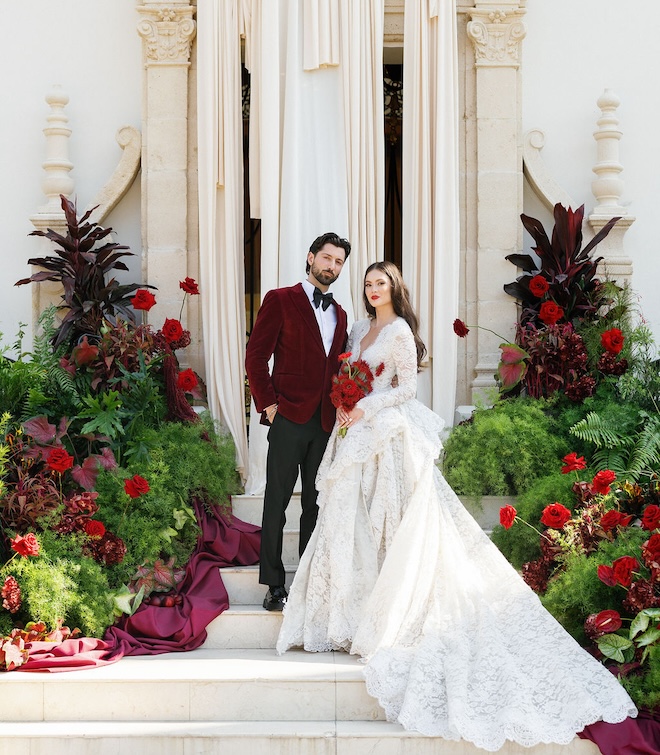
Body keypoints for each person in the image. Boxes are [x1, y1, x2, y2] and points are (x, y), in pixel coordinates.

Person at [276, 261, 636, 751]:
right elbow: (350, 371)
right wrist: (347, 403)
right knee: (347, 519)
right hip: (353, 431)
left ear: (394, 289)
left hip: (385, 430)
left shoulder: (401, 330)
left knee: (388, 519)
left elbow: (405, 388)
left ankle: (388, 607)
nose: (371, 288)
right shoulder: (358, 326)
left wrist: (368, 406)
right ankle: (347, 610)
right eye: (367, 282)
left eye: (380, 283)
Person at [245, 232, 350, 612]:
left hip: (324, 422)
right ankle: (273, 585)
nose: (331, 267)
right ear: (310, 258)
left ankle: (305, 582)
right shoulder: (280, 299)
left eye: (338, 262)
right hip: (288, 417)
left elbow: (337, 368)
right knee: (276, 502)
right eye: (326, 258)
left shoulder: (341, 314)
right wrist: (270, 406)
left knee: (315, 505)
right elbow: (255, 358)